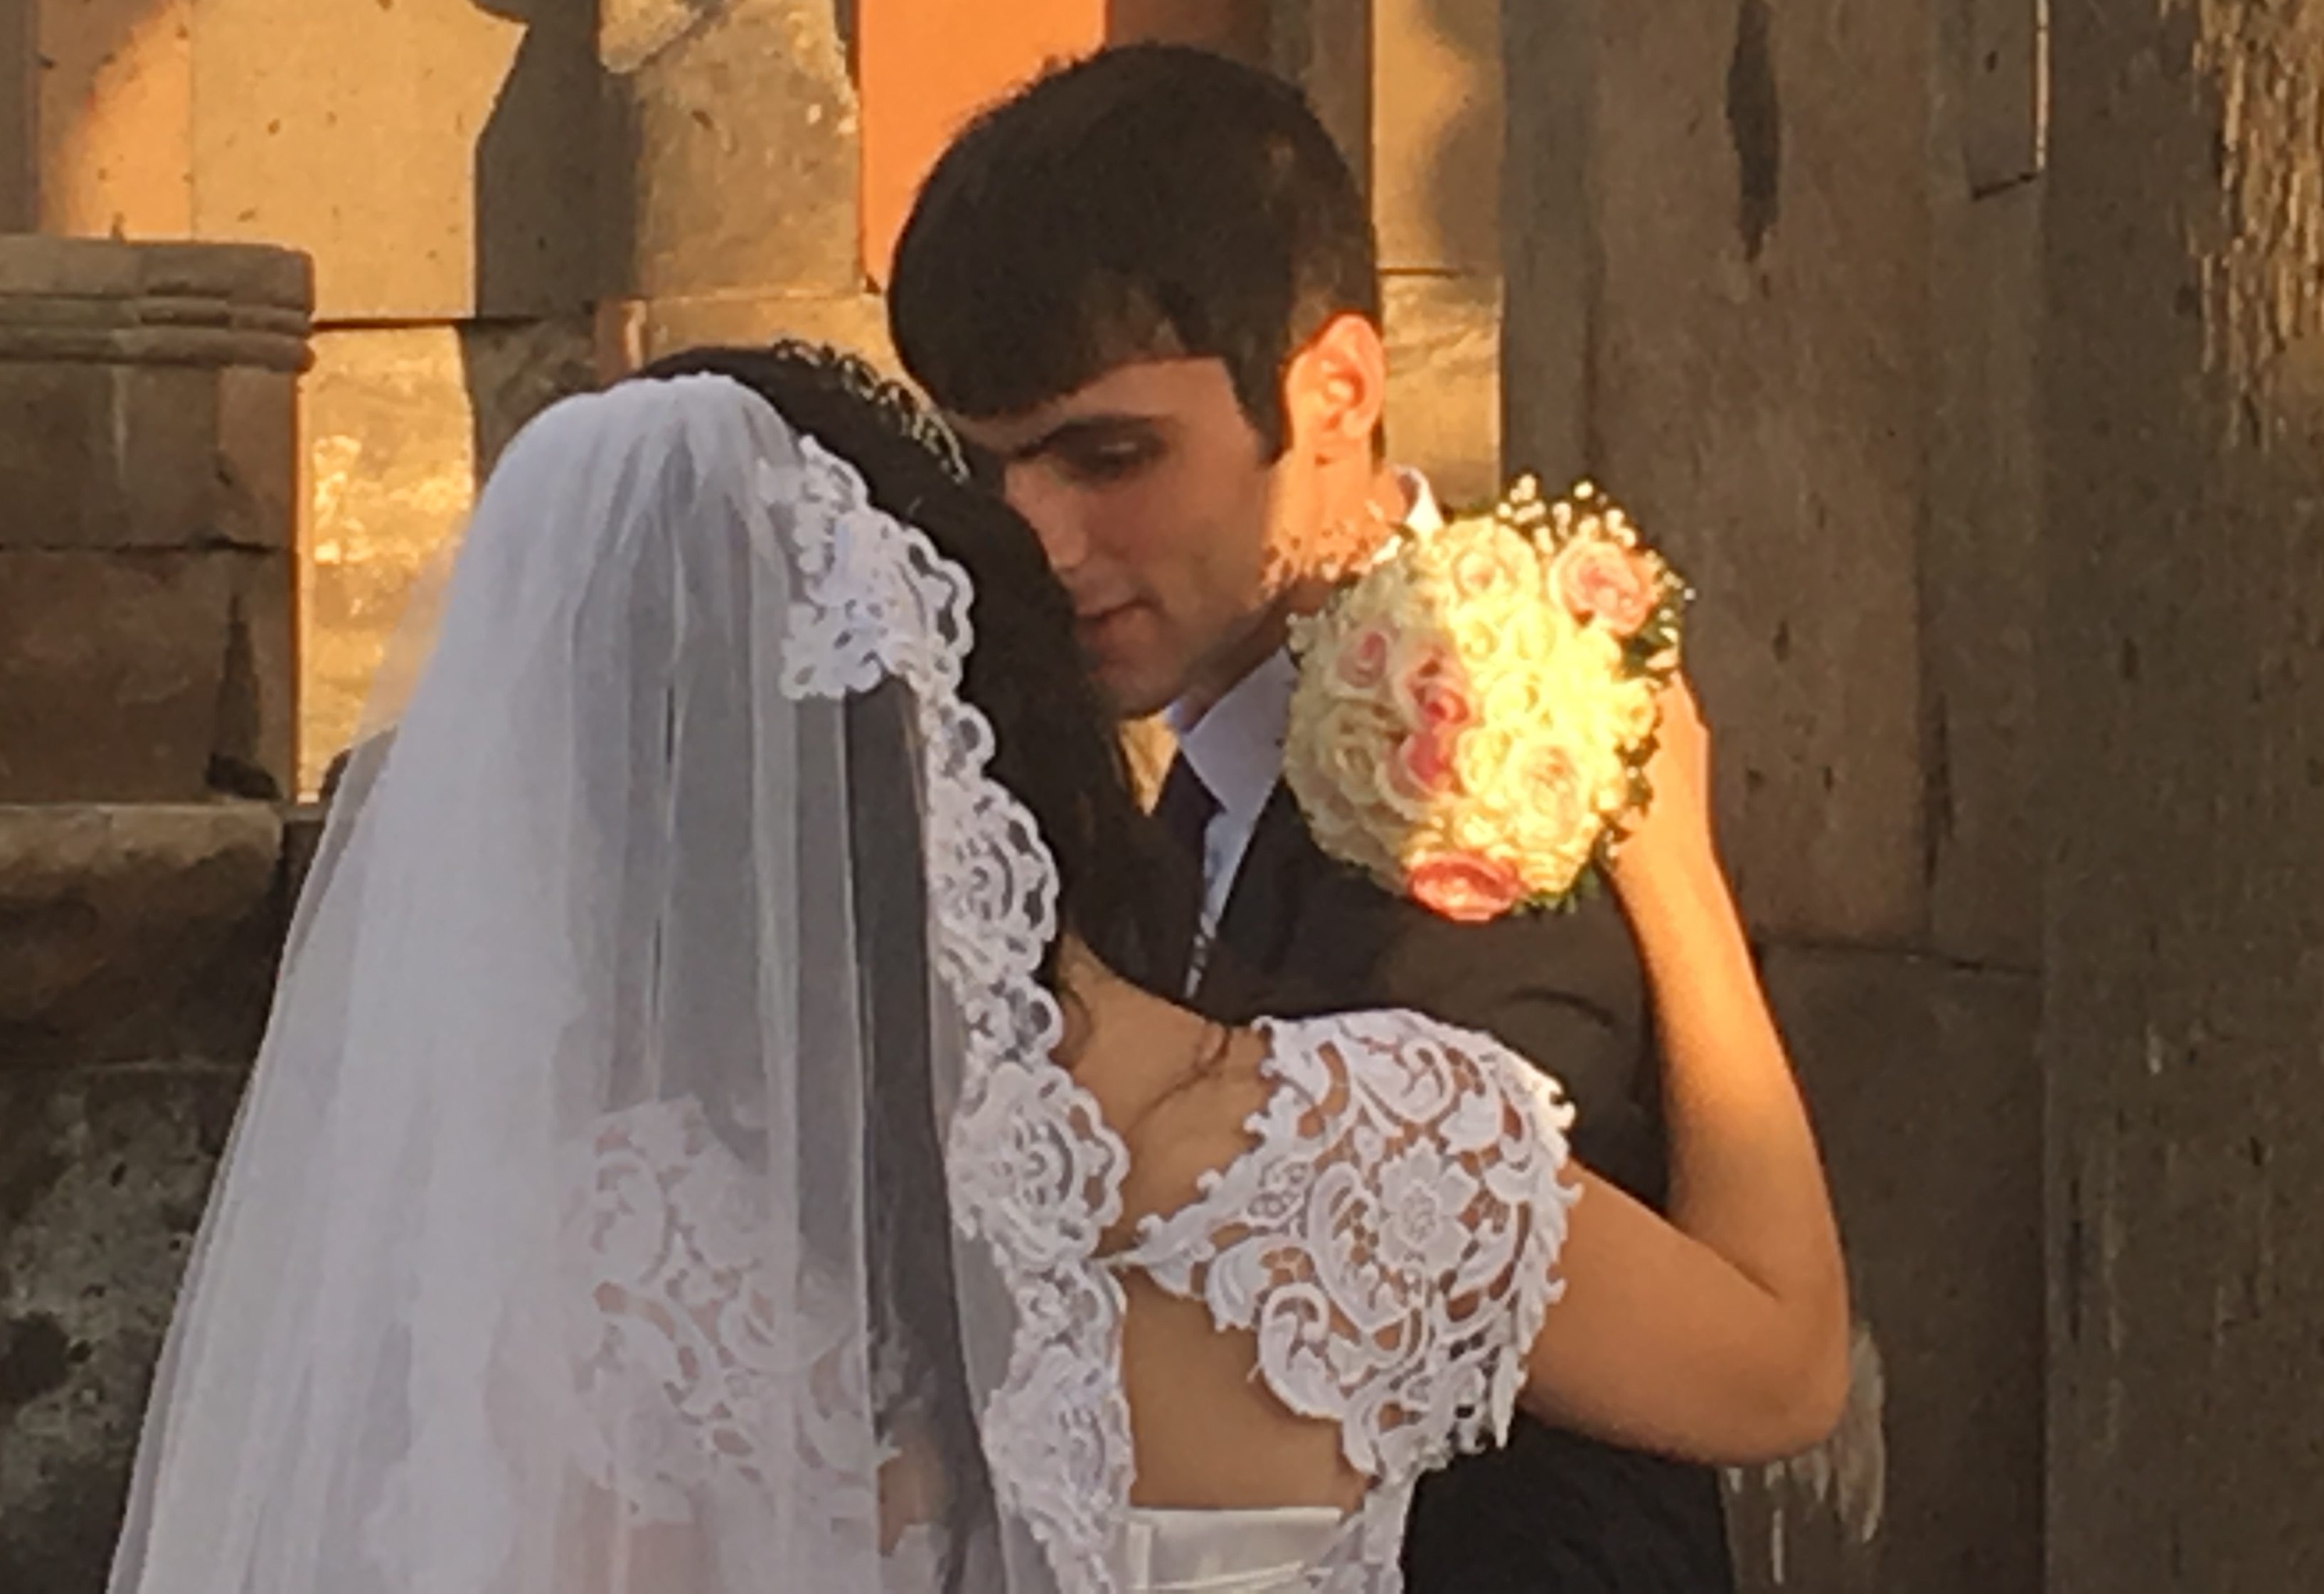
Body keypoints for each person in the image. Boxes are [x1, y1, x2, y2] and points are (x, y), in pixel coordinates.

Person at [104, 348, 1845, 1594]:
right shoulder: (1388, 1148)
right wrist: (1671, 868)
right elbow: (1781, 1368)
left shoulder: (597, 1259)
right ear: (1003, 699)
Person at [886, 44, 1738, 1592]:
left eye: (1111, 455)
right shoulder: (1155, 805)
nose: (1036, 538)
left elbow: (1613, 1434)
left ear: (1334, 391)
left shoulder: (1507, 791)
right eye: (989, 468)